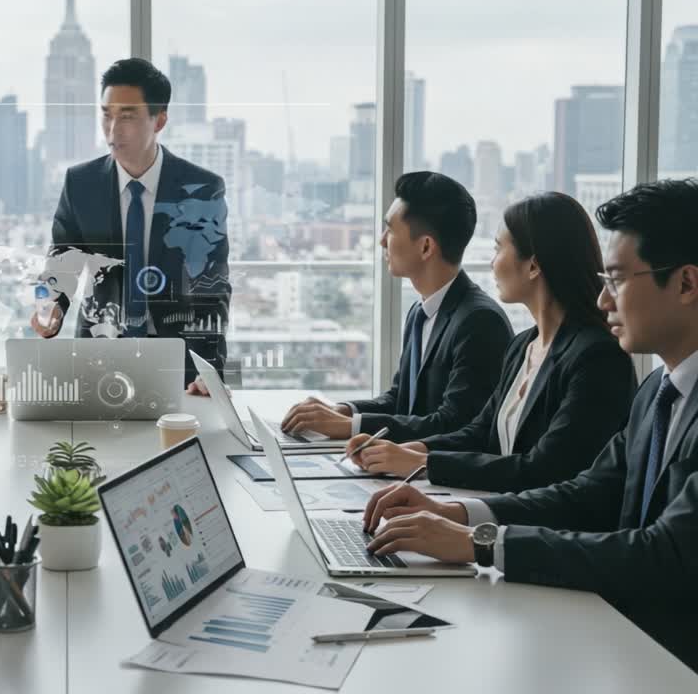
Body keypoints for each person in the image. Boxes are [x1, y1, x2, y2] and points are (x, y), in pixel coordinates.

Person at [361, 179, 698, 672]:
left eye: (619, 280)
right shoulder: (658, 393)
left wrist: (482, 544)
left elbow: (662, 554)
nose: (606, 302)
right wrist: (457, 515)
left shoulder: (605, 362)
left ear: (687, 283)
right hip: (624, 634)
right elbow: (588, 493)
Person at [345, 192, 637, 492]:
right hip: (500, 507)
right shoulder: (524, 345)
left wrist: (423, 464)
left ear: (533, 266)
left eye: (498, 249)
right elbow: (481, 432)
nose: (491, 262)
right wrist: (411, 450)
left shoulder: (597, 357)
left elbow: (546, 468)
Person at [33, 57, 229, 395]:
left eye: (127, 116)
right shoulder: (81, 183)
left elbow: (211, 288)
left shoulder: (200, 188)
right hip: (100, 353)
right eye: (106, 115)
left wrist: (210, 370)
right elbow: (61, 262)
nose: (112, 129)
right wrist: (48, 306)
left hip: (177, 361)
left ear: (160, 120)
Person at [282, 171, 513, 441]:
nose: (382, 240)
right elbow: (399, 400)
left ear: (426, 247)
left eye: (390, 230)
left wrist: (351, 427)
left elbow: (454, 424)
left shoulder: (480, 321)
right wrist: (342, 411)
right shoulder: (420, 312)